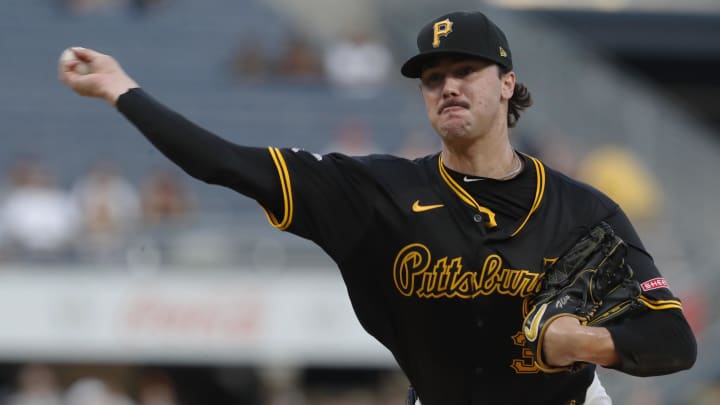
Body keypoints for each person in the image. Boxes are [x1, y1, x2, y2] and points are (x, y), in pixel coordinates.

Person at [59, 10, 696, 405]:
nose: (446, 85)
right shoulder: (373, 193)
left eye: (465, 70)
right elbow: (224, 161)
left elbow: (673, 340)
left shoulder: (582, 210)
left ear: (506, 84)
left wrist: (581, 341)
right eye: (431, 77)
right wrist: (123, 90)